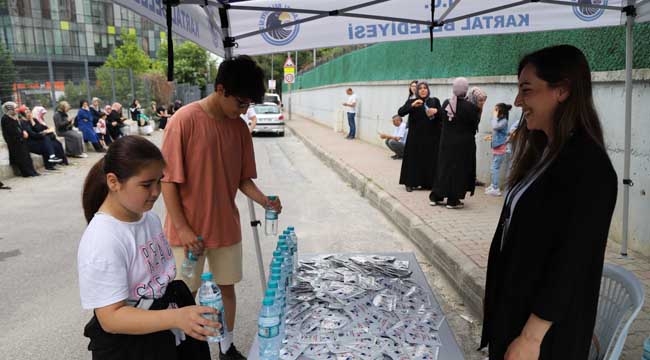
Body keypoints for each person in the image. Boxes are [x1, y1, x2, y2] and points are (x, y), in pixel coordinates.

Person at [480, 45, 617, 360]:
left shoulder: (589, 167)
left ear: (563, 91)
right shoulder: (543, 154)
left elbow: (572, 260)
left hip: (545, 338)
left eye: (526, 90)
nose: (517, 101)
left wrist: (530, 337)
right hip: (514, 311)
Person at [161, 55, 282, 360]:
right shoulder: (184, 121)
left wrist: (265, 200)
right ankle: (186, 350)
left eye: (248, 105)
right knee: (183, 296)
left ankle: (225, 347)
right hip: (187, 234)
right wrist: (184, 228)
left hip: (225, 227)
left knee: (226, 288)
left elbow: (243, 179)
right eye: (241, 103)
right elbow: (168, 181)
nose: (244, 110)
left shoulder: (239, 129)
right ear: (220, 89)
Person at [78, 136, 214, 360]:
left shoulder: (148, 218)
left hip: (164, 332)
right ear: (113, 182)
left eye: (159, 181)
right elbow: (111, 319)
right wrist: (176, 318)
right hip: (131, 346)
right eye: (146, 184)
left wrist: (187, 261)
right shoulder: (102, 240)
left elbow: (152, 275)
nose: (156, 192)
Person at [430, 78, 480, 209]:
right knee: (458, 171)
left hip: (446, 143)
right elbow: (474, 126)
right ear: (466, 90)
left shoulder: (447, 103)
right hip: (463, 146)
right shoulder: (471, 107)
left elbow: (442, 118)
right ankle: (453, 200)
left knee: (443, 168)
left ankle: (436, 197)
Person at [397, 81, 442, 192]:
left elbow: (443, 115)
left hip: (431, 136)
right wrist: (412, 105)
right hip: (415, 137)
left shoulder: (434, 101)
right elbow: (401, 112)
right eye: (420, 88)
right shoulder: (412, 101)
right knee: (413, 159)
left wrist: (436, 111)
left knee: (429, 160)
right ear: (417, 90)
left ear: (428, 90)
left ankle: (427, 183)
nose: (422, 90)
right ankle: (410, 183)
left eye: (425, 88)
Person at [17, 105, 67, 170]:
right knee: (46, 142)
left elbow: (40, 128)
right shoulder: (23, 123)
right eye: (27, 112)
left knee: (56, 143)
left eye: (29, 111)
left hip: (39, 140)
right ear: (23, 114)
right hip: (31, 143)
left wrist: (33, 122)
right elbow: (32, 134)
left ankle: (59, 161)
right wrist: (43, 133)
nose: (29, 113)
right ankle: (51, 161)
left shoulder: (34, 120)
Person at [1, 101, 39, 177]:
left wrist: (23, 132)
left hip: (20, 139)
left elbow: (19, 127)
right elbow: (11, 132)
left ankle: (32, 171)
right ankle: (27, 172)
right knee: (22, 156)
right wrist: (22, 134)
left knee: (27, 155)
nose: (17, 110)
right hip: (14, 141)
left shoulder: (14, 117)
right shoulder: (5, 119)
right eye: (15, 108)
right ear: (10, 109)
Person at [485, 103, 513, 196]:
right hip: (497, 145)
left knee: (495, 167)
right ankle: (493, 185)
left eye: (496, 109)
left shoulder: (504, 121)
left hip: (500, 147)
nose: (494, 111)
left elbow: (495, 126)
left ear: (500, 111)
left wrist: (494, 116)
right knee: (493, 167)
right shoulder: (500, 120)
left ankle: (496, 188)